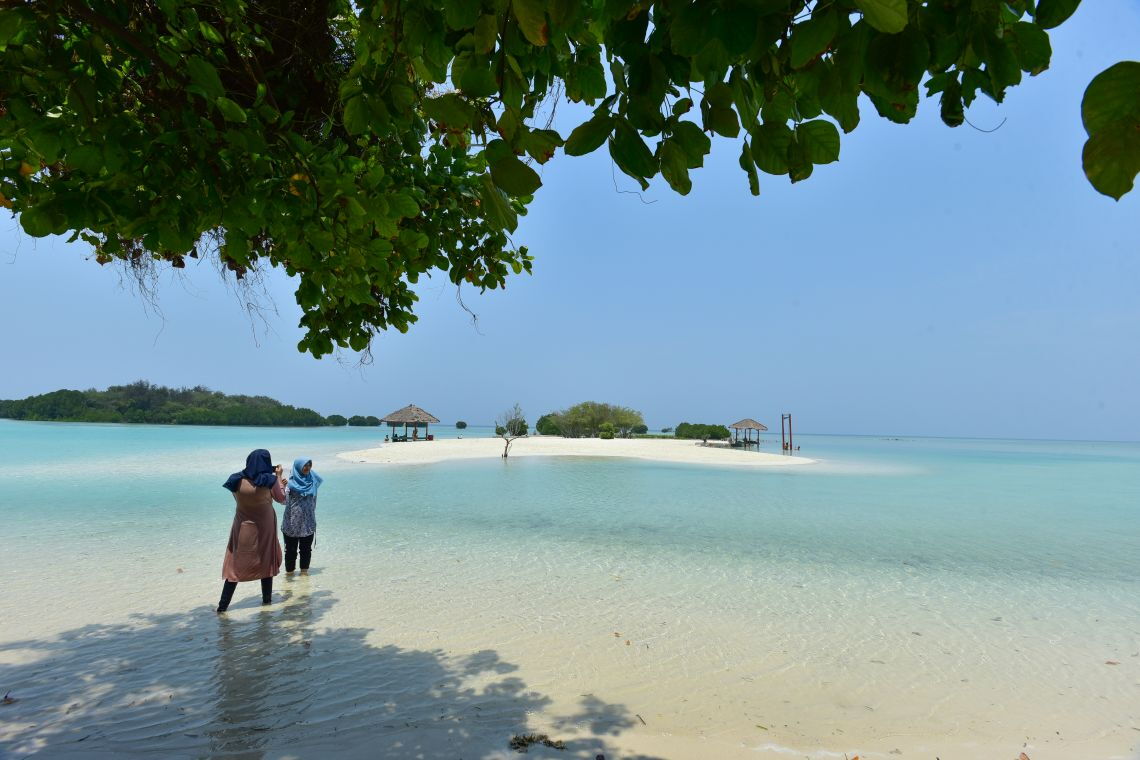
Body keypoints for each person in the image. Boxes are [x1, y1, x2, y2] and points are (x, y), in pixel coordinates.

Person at [216, 449, 285, 613]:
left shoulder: (235, 479)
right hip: (265, 527)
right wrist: (279, 479)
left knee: (235, 565)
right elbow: (282, 499)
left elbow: (239, 499)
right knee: (266, 561)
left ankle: (222, 607)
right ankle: (266, 605)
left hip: (242, 526)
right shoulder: (270, 480)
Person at [281, 456, 323, 575]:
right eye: (305, 465)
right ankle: (289, 575)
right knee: (290, 551)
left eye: (309, 465)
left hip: (308, 522)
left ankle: (304, 575)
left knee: (306, 550)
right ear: (298, 467)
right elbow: (283, 501)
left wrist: (311, 515)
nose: (307, 467)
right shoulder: (289, 483)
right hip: (291, 523)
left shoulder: (313, 481)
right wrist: (283, 487)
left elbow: (314, 501)